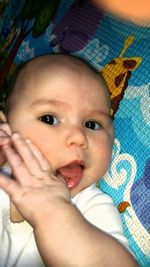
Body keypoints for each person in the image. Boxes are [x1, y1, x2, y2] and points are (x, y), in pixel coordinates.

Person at [0, 54, 138, 267]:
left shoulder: (89, 206)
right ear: (5, 127)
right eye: (49, 119)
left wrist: (52, 211)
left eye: (92, 124)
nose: (79, 137)